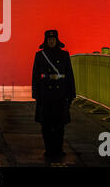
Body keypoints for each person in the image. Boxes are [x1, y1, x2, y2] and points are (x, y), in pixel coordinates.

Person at [31, 30, 76, 159]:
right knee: (46, 126)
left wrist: (71, 94)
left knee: (59, 125)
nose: (51, 41)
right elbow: (35, 76)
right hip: (45, 95)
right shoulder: (40, 55)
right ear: (46, 41)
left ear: (57, 40)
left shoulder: (64, 55)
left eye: (53, 39)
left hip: (60, 95)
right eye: (49, 39)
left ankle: (58, 149)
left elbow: (69, 76)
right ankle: (49, 149)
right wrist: (36, 94)